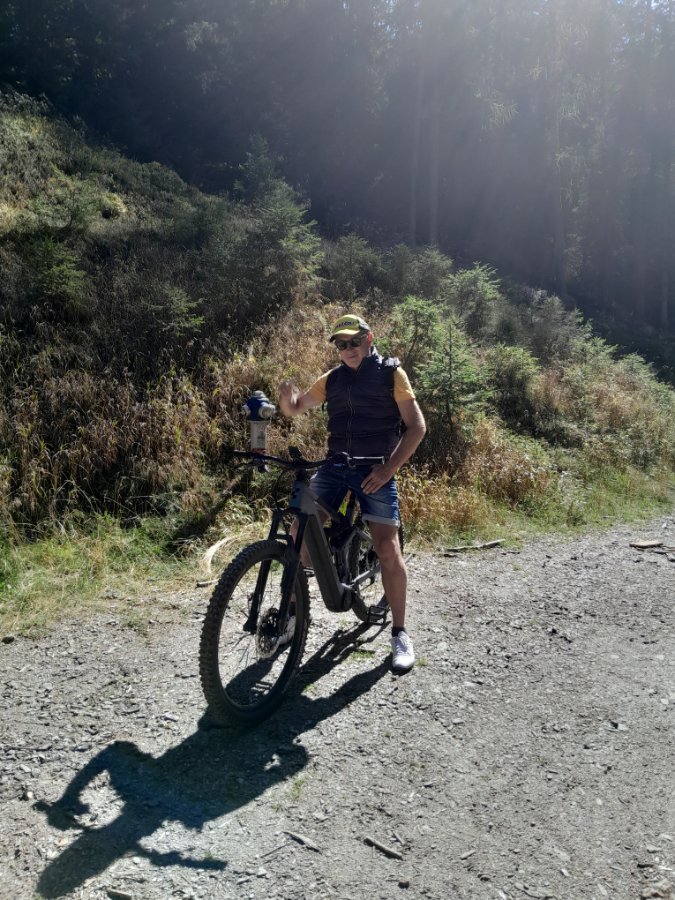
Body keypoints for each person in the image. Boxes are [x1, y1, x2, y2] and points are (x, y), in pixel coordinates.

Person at [279, 313, 426, 672]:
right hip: (335, 468)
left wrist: (388, 469)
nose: (348, 349)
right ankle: (291, 617)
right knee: (299, 533)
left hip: (374, 470)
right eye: (341, 344)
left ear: (369, 339)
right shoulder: (331, 379)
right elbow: (296, 408)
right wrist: (286, 400)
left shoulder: (391, 374)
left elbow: (416, 427)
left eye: (354, 341)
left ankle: (400, 633)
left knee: (387, 548)